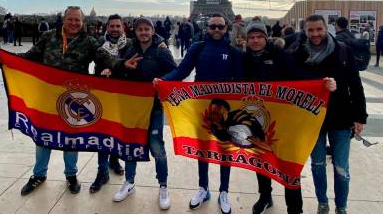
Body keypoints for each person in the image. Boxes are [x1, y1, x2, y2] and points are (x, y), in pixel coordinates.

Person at [0, 6, 115, 196]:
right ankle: (39, 174)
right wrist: (7, 58)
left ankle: (71, 175)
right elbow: (30, 57)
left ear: (83, 22)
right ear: (63, 20)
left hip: (74, 100)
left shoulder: (88, 41)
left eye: (77, 20)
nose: (74, 23)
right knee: (44, 136)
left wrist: (118, 66)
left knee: (71, 138)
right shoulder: (49, 36)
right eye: (70, 19)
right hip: (47, 95)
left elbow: (105, 59)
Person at [154, 13, 243, 214]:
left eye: (221, 27)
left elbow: (240, 82)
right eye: (213, 27)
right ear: (207, 28)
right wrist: (164, 81)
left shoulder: (234, 51)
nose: (217, 30)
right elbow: (182, 72)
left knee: (224, 150)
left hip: (224, 109)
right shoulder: (198, 48)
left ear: (226, 28)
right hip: (201, 108)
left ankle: (224, 190)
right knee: (202, 148)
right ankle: (203, 187)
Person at [243, 20, 336, 214]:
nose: (255, 40)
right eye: (251, 37)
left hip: (283, 120)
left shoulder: (279, 56)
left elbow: (297, 75)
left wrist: (321, 83)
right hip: (257, 120)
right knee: (261, 161)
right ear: (247, 40)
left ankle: (295, 208)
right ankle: (265, 196)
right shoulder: (244, 59)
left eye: (259, 36)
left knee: (288, 164)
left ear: (265, 37)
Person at [289, 15, 368, 214]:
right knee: (317, 165)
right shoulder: (298, 53)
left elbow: (355, 85)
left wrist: (360, 116)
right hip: (312, 118)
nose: (315, 34)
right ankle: (322, 202)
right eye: (311, 30)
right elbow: (293, 80)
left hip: (340, 117)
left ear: (327, 29)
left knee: (341, 168)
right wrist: (318, 82)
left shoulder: (343, 51)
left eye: (319, 29)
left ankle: (341, 206)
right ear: (305, 31)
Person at [112, 17, 176, 210]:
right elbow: (120, 70)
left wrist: (162, 79)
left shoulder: (162, 51)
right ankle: (129, 182)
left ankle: (163, 185)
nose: (143, 33)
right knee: (132, 145)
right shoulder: (129, 49)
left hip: (154, 107)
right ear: (135, 31)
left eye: (147, 29)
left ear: (152, 30)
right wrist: (118, 68)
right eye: (140, 29)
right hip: (132, 106)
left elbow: (175, 72)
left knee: (157, 147)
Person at [88, 14, 130, 194]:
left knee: (117, 130)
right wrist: (113, 67)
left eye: (117, 26)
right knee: (103, 133)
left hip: (122, 93)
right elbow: (104, 59)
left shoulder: (129, 44)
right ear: (107, 27)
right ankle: (102, 171)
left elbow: (150, 38)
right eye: (111, 26)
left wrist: (160, 41)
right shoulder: (99, 42)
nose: (114, 29)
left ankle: (114, 161)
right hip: (103, 92)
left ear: (123, 28)